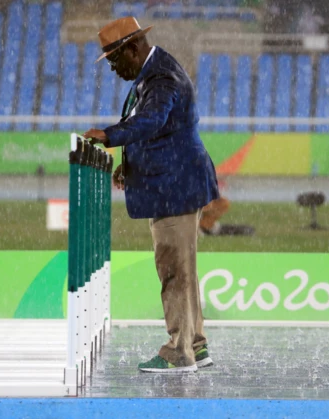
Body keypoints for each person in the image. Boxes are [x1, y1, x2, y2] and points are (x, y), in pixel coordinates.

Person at [83, 17, 219, 374]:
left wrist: (110, 136)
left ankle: (180, 352)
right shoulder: (154, 72)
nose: (114, 69)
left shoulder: (160, 78)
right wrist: (130, 163)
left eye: (115, 61)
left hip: (175, 187)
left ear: (131, 48)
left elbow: (150, 122)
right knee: (183, 268)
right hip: (176, 182)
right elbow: (157, 130)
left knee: (174, 270)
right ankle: (196, 345)